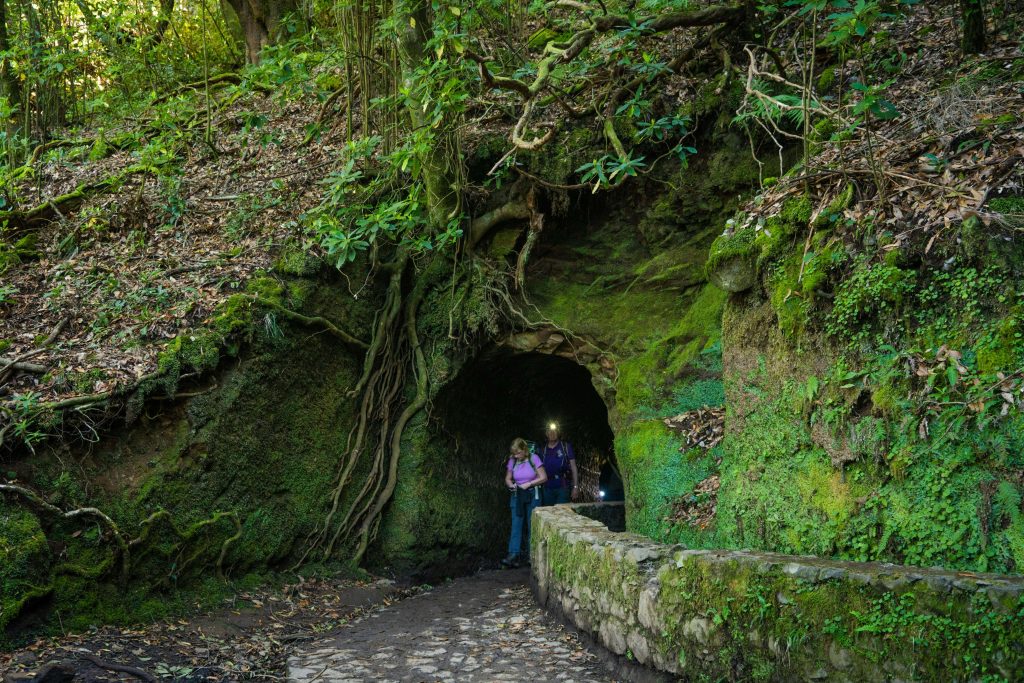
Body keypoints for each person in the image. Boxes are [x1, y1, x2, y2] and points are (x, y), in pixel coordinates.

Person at [502, 437, 547, 568]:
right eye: (514, 453)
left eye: (518, 453)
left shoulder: (534, 459)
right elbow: (508, 478)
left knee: (532, 524)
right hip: (518, 494)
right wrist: (511, 485)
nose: (516, 455)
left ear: (524, 450)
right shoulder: (513, 460)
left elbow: (543, 477)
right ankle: (513, 555)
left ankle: (531, 555)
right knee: (516, 523)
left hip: (533, 493)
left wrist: (529, 484)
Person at [539, 423, 579, 506]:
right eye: (549, 431)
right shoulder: (542, 450)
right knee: (548, 514)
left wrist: (575, 487)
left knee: (562, 513)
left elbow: (573, 467)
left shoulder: (566, 447)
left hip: (563, 486)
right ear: (546, 434)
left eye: (554, 431)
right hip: (547, 488)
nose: (552, 433)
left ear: (558, 433)